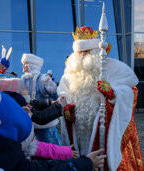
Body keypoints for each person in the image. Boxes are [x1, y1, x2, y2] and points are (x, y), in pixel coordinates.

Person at [0, 54, 107, 171]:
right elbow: (31, 156)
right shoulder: (1, 107)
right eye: (23, 64)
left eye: (26, 64)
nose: (24, 67)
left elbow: (34, 103)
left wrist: (48, 102)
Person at [57, 26, 143, 170]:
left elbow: (130, 91)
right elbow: (63, 94)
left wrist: (112, 93)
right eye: (79, 52)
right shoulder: (70, 73)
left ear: (96, 51)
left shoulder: (114, 67)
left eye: (86, 51)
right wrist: (66, 108)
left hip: (105, 130)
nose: (82, 55)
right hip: (80, 129)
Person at [21, 53, 61, 145]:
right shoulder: (23, 79)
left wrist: (51, 87)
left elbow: (55, 96)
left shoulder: (43, 79)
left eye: (25, 63)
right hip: (30, 123)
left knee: (50, 150)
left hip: (45, 123)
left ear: (32, 65)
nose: (23, 66)